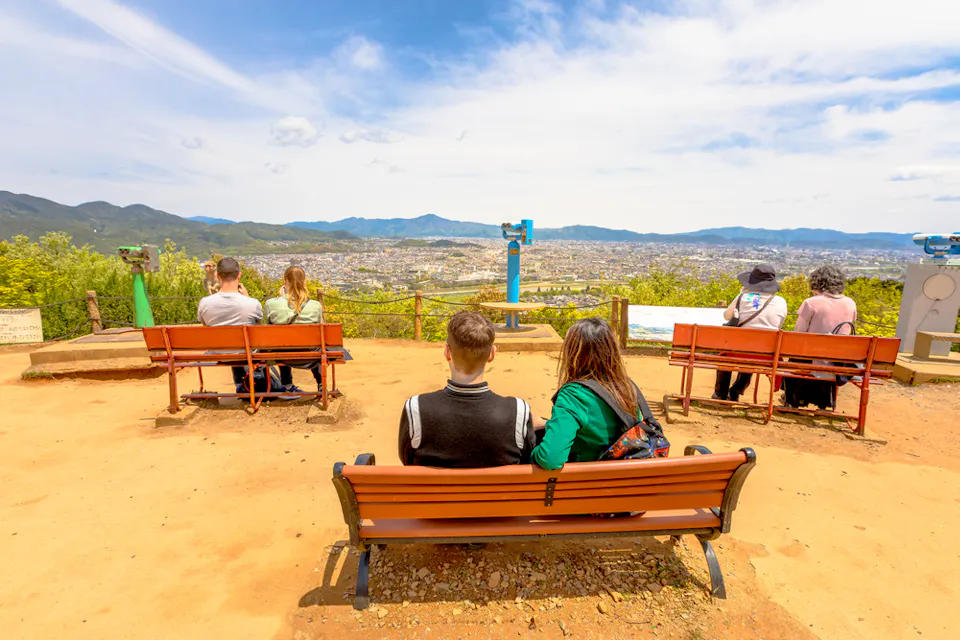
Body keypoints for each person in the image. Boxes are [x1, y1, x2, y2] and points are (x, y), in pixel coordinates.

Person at [398, 311, 535, 468]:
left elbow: (407, 460)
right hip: (499, 493)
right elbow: (526, 460)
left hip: (437, 493)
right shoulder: (518, 411)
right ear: (492, 354)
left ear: (447, 352)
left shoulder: (416, 408)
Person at [531, 318, 657, 470]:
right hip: (625, 482)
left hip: (585, 486)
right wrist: (549, 425)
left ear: (573, 355)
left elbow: (550, 459)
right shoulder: (627, 387)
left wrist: (531, 452)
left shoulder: (574, 396)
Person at [783, 265, 859, 409]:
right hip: (839, 358)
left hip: (811, 355)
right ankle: (824, 403)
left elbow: (798, 333)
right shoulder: (850, 303)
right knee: (825, 358)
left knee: (796, 359)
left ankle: (793, 400)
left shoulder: (811, 303)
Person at [713, 263, 788, 403]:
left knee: (727, 353)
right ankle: (736, 391)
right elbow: (778, 325)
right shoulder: (781, 302)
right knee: (754, 352)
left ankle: (720, 393)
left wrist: (742, 295)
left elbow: (727, 316)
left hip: (737, 351)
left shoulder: (743, 297)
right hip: (766, 354)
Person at [196, 257, 262, 392]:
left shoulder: (204, 303)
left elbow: (205, 326)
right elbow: (257, 326)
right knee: (245, 344)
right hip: (246, 352)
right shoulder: (252, 303)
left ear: (217, 276)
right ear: (239, 275)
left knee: (231, 343)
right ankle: (253, 384)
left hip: (218, 351)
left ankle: (240, 383)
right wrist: (247, 298)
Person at [263, 265, 325, 394]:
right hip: (310, 355)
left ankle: (287, 385)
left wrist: (280, 298)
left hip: (280, 355)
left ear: (284, 280)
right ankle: (321, 382)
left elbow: (267, 328)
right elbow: (321, 332)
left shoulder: (271, 304)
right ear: (304, 281)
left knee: (282, 341)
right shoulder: (315, 306)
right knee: (316, 344)